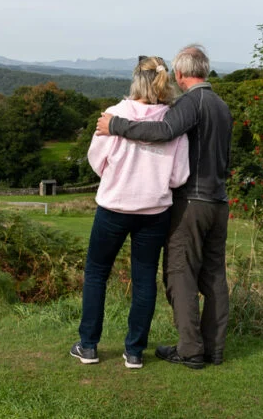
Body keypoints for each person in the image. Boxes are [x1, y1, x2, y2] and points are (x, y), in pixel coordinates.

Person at [96, 44, 232, 369]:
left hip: (193, 203)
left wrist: (116, 126)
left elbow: (164, 132)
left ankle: (190, 350)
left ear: (180, 73)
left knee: (180, 274)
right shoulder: (222, 105)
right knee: (214, 276)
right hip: (220, 202)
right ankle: (214, 349)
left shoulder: (193, 102)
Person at [71, 56, 189, 369]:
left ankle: (88, 345)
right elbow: (179, 177)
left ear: (135, 80)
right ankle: (134, 351)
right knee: (144, 278)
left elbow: (97, 163)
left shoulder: (114, 115)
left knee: (96, 273)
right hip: (155, 210)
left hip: (114, 206)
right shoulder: (173, 124)